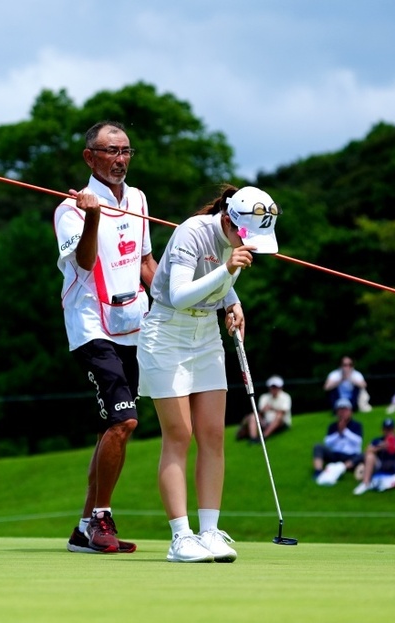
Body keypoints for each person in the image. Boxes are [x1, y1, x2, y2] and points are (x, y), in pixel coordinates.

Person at [137, 184, 281, 563]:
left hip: (206, 338)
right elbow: (180, 293)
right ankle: (181, 537)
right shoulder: (193, 231)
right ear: (230, 220)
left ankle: (210, 531)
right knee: (179, 435)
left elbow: (219, 284)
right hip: (166, 333)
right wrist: (228, 271)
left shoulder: (235, 243)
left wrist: (233, 302)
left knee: (213, 435)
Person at [55, 120, 158, 555]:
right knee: (123, 420)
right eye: (111, 151)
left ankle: (84, 529)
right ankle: (100, 517)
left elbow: (146, 261)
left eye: (126, 151)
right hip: (90, 326)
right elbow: (82, 260)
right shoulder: (70, 209)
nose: (120, 159)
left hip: (133, 324)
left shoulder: (137, 199)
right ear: (90, 157)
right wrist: (93, 214)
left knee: (110, 429)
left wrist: (179, 303)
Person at [353, 418, 395, 494]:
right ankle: (365, 483)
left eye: (390, 430)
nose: (389, 432)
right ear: (383, 430)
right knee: (369, 456)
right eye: (386, 430)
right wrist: (380, 447)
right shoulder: (378, 440)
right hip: (380, 464)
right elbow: (367, 450)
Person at [312, 398, 364, 486]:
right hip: (336, 454)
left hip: (351, 455)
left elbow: (357, 441)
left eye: (345, 410)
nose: (342, 412)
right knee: (317, 446)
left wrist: (345, 431)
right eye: (340, 410)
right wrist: (338, 433)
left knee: (364, 454)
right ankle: (318, 471)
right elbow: (328, 442)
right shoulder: (332, 426)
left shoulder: (357, 425)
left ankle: (343, 468)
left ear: (350, 411)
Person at [235, 375, 292, 441]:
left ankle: (264, 436)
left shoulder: (285, 397)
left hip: (282, 423)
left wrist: (272, 408)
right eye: (272, 387)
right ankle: (253, 438)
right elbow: (260, 412)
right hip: (266, 422)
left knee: (279, 416)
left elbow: (283, 411)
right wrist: (264, 409)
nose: (274, 389)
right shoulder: (264, 397)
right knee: (252, 416)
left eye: (275, 387)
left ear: (280, 387)